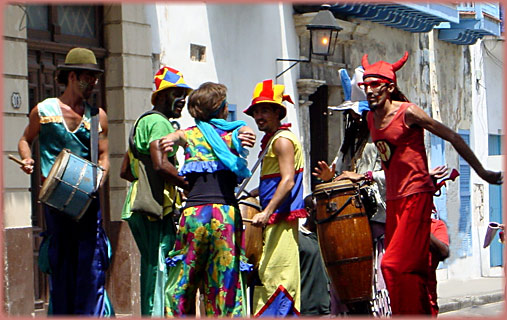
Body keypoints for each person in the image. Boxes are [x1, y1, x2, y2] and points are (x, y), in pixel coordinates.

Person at [360, 51, 503, 315]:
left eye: (375, 84)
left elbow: (452, 136)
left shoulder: (408, 113)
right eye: (365, 85)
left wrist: (482, 171)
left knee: (392, 265)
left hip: (416, 196)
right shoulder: (370, 118)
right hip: (393, 201)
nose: (369, 90)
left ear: (389, 86)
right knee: (405, 273)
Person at [17, 47, 114, 315]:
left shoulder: (97, 117)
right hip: (56, 204)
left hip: (88, 204)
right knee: (60, 267)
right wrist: (27, 160)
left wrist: (98, 180)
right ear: (72, 76)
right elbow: (25, 140)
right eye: (88, 77)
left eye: (95, 77)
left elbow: (104, 156)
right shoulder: (44, 110)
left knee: (90, 271)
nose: (93, 82)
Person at [159, 82, 256, 316]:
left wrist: (168, 140)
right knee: (225, 285)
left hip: (195, 215)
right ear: (222, 108)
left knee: (182, 282)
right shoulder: (232, 133)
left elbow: (175, 137)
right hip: (225, 216)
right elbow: (243, 134)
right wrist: (245, 136)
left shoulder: (191, 134)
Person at [312, 66, 388, 316]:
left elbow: (394, 177)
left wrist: (364, 177)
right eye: (352, 115)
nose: (354, 119)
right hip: (349, 229)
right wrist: (329, 178)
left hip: (378, 225)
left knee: (376, 287)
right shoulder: (349, 143)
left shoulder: (383, 139)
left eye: (357, 114)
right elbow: (340, 172)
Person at [119, 66, 192, 316]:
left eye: (184, 93)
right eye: (176, 93)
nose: (182, 99)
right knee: (160, 266)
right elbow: (161, 164)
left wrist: (143, 179)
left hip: (138, 203)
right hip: (154, 207)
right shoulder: (159, 123)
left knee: (151, 264)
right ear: (160, 96)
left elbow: (125, 170)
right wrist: (186, 184)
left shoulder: (143, 121)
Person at [243, 79, 307, 316]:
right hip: (273, 219)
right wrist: (255, 192)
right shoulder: (275, 139)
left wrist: (266, 211)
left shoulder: (281, 140)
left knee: (276, 276)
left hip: (279, 219)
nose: (259, 116)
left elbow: (288, 180)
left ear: (278, 112)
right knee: (269, 275)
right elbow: (276, 178)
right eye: (256, 111)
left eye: (265, 110)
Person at [298, 195, 331, 316]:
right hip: (307, 311)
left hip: (331, 310)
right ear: (308, 211)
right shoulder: (298, 240)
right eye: (319, 210)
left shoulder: (330, 238)